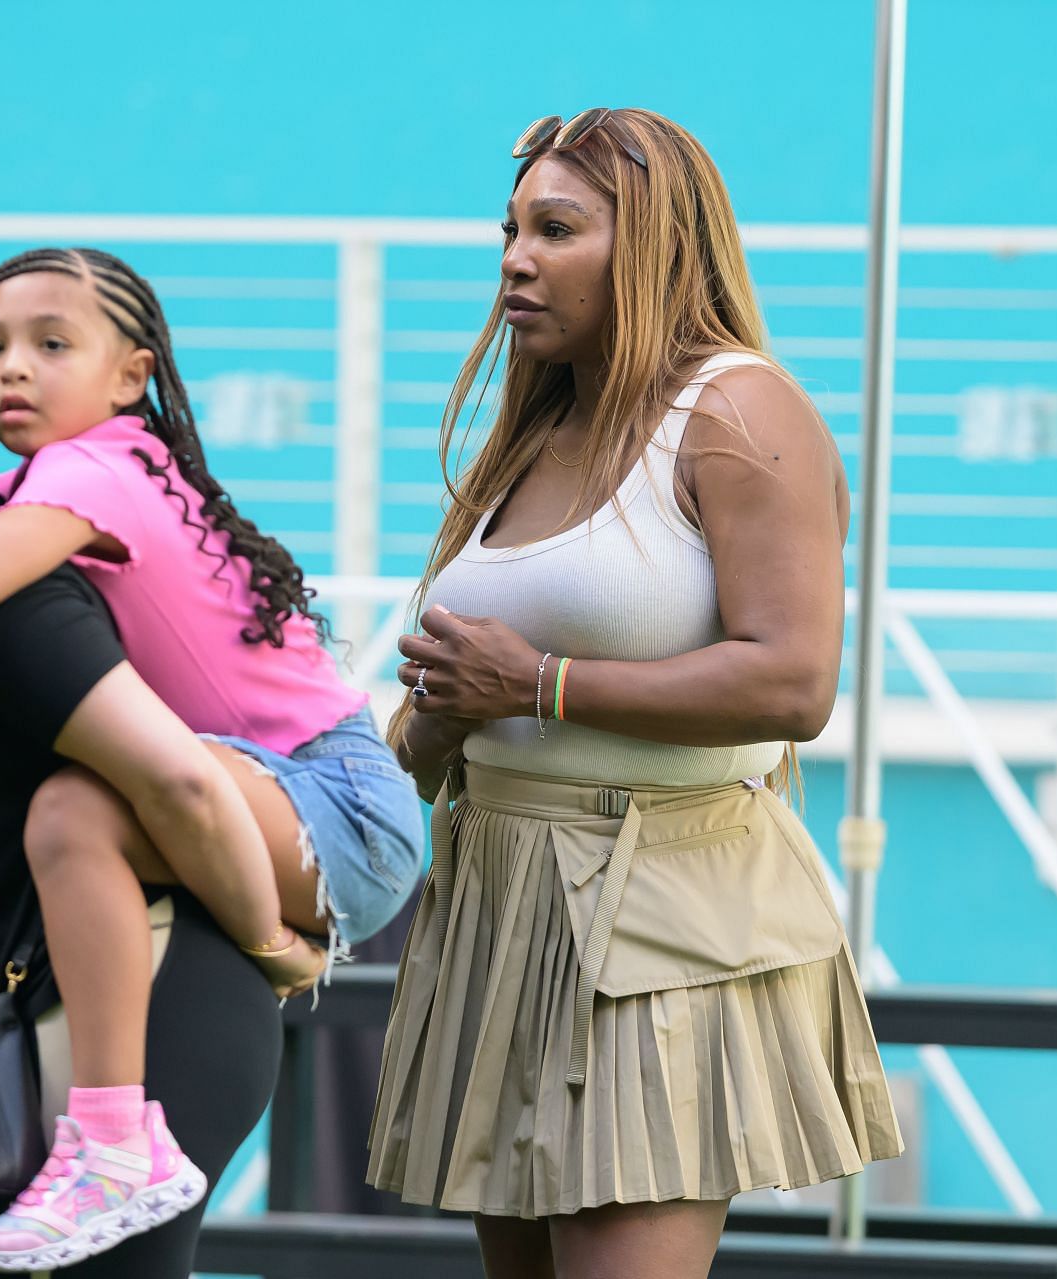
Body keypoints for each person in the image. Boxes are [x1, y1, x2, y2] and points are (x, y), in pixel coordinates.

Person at [0, 248, 421, 1269]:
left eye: (52, 344)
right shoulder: (61, 478)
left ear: (133, 374)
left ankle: (115, 1141)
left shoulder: (90, 469)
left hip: (331, 794)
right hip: (292, 790)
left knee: (77, 810)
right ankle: (110, 1143)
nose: (13, 370)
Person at [367, 108, 904, 1279]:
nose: (516, 256)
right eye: (510, 229)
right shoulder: (538, 427)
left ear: (654, 244)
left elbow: (794, 678)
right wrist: (444, 716)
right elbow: (438, 734)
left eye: (556, 229)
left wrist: (541, 684)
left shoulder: (737, 412)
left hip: (658, 907)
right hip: (498, 902)